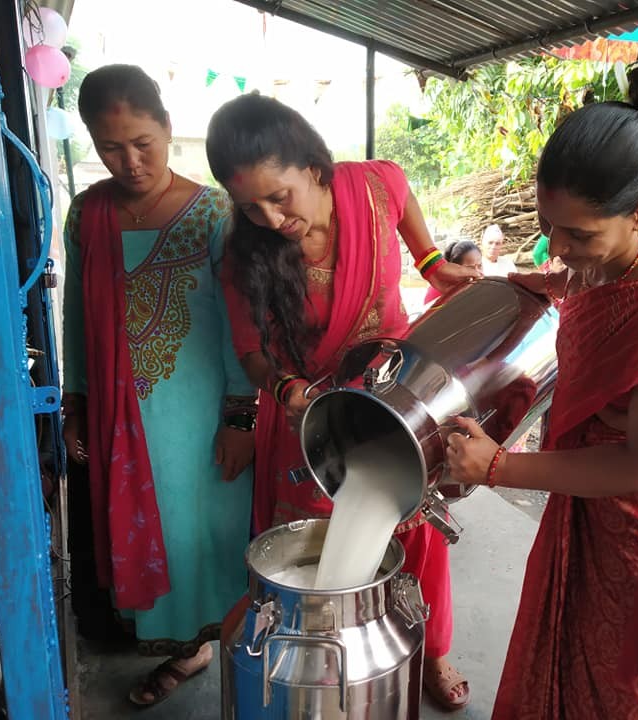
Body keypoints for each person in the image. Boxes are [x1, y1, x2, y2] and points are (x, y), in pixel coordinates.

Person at [445, 65, 638, 719]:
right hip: (583, 507)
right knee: (564, 656)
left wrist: (499, 466)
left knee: (621, 686)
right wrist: (530, 280)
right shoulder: (617, 257)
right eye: (549, 226)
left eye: (578, 235)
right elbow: (591, 285)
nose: (559, 246)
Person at [205, 93, 479, 711]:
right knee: (312, 539)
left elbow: (409, 205)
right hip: (312, 416)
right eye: (251, 207)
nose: (272, 219)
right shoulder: (244, 257)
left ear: (314, 165)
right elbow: (251, 351)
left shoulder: (375, 187)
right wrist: (286, 390)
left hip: (392, 397)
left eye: (281, 196)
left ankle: (431, 647)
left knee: (416, 528)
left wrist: (433, 263)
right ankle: (319, 658)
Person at [62, 64, 256, 707]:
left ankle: (224, 649)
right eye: (110, 146)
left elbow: (241, 325)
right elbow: (77, 320)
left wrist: (240, 417)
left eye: (143, 142)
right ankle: (182, 652)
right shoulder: (87, 214)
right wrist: (77, 400)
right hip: (121, 418)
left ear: (169, 129)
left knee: (206, 535)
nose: (130, 160)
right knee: (146, 532)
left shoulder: (214, 214)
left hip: (199, 417)